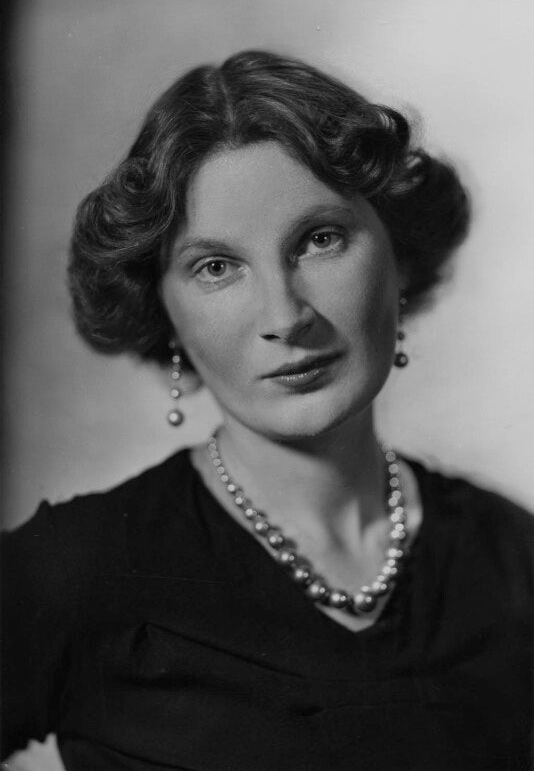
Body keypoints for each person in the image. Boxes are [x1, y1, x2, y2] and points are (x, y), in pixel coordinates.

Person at [1, 50, 533, 771]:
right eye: (217, 267)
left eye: (320, 239)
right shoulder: (75, 571)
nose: (285, 317)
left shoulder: (511, 557)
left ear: (400, 259)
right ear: (162, 311)